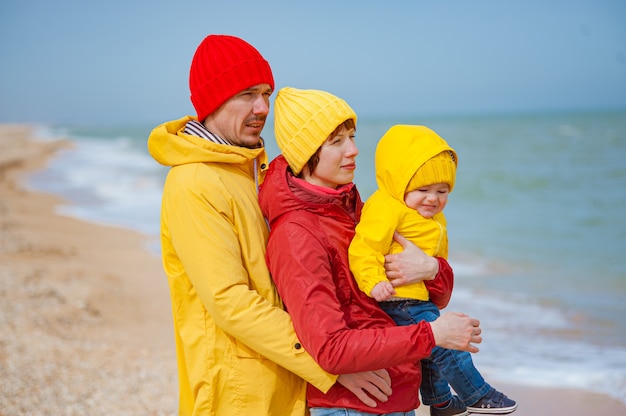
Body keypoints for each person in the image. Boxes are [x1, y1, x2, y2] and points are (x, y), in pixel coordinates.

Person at [147, 34, 403, 416]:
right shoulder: (195, 183)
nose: (263, 107)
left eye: (266, 93)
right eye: (247, 94)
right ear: (213, 100)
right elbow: (230, 302)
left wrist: (423, 266)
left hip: (288, 377)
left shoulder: (257, 168)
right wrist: (329, 364)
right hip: (238, 391)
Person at [259, 87, 484, 416]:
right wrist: (433, 334)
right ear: (307, 154)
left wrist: (432, 270)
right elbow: (329, 348)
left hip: (395, 394)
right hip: (355, 407)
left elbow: (425, 298)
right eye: (337, 141)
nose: (354, 150)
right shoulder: (297, 234)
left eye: (352, 136)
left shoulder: (353, 207)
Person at [349, 125, 518, 415]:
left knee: (429, 356)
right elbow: (363, 247)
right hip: (396, 298)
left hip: (416, 296)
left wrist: (433, 271)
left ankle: (439, 402)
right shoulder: (386, 207)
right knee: (446, 344)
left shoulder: (428, 216)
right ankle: (476, 393)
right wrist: (374, 281)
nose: (433, 199)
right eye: (423, 190)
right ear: (398, 183)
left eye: (442, 191)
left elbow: (439, 260)